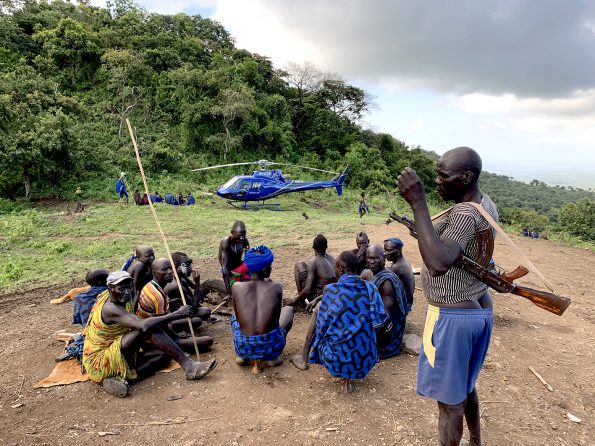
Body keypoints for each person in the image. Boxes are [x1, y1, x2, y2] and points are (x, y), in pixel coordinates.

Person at [396, 146, 497, 446]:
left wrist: (418, 203)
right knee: (465, 386)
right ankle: (475, 441)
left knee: (449, 403)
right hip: (479, 307)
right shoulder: (484, 204)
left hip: (453, 317)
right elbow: (461, 249)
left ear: (466, 177)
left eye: (444, 176)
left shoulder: (464, 214)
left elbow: (439, 263)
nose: (437, 181)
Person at [82, 271, 217, 397]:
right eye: (121, 289)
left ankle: (124, 378)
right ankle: (189, 366)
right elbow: (142, 325)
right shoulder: (110, 308)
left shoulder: (120, 297)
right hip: (100, 361)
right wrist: (177, 314)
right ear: (110, 288)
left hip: (118, 349)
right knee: (148, 328)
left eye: (129, 287)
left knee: (165, 355)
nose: (128, 292)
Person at [290, 251, 387, 394]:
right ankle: (350, 372)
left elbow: (322, 329)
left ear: (341, 269)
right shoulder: (370, 288)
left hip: (335, 360)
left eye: (335, 267)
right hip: (364, 360)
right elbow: (380, 319)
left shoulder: (331, 290)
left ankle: (304, 358)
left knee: (318, 312)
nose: (333, 270)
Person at [231, 245, 294, 374]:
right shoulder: (276, 287)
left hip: (243, 347)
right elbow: (275, 322)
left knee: (234, 315)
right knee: (288, 310)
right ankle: (273, 357)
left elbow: (238, 317)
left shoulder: (236, 287)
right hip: (270, 347)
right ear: (265, 268)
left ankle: (244, 357)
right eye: (270, 265)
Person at [137, 258, 213, 352]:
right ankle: (172, 344)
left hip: (162, 323)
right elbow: (162, 324)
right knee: (207, 341)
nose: (169, 272)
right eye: (165, 270)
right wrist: (177, 336)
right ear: (155, 273)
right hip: (154, 334)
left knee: (196, 320)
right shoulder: (158, 295)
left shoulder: (151, 285)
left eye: (170, 268)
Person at [367, 244, 408, 358]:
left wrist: (370, 337)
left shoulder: (386, 282)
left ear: (383, 259)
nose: (372, 261)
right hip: (379, 320)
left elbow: (387, 316)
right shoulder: (372, 274)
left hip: (388, 331)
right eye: (370, 258)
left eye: (376, 258)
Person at [285, 234, 336, 309]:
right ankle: (300, 299)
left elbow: (308, 289)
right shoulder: (332, 259)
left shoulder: (314, 261)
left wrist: (294, 300)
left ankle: (301, 302)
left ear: (313, 247)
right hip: (332, 296)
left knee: (299, 265)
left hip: (318, 299)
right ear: (326, 247)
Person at [164, 252, 211, 321]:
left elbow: (194, 292)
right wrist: (197, 283)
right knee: (202, 315)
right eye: (187, 265)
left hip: (183, 307)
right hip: (173, 316)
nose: (190, 268)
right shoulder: (175, 286)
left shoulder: (180, 277)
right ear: (175, 266)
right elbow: (194, 305)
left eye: (190, 264)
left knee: (204, 311)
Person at [219, 221, 251, 300]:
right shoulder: (226, 242)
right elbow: (225, 267)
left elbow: (249, 257)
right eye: (239, 236)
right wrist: (228, 292)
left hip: (239, 268)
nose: (242, 238)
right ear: (232, 232)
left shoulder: (244, 241)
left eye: (244, 235)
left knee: (256, 263)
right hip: (230, 270)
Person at [384, 237, 415, 313]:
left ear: (398, 251)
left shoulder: (397, 267)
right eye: (385, 250)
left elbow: (382, 277)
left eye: (389, 250)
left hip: (403, 305)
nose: (385, 253)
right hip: (407, 301)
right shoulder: (402, 262)